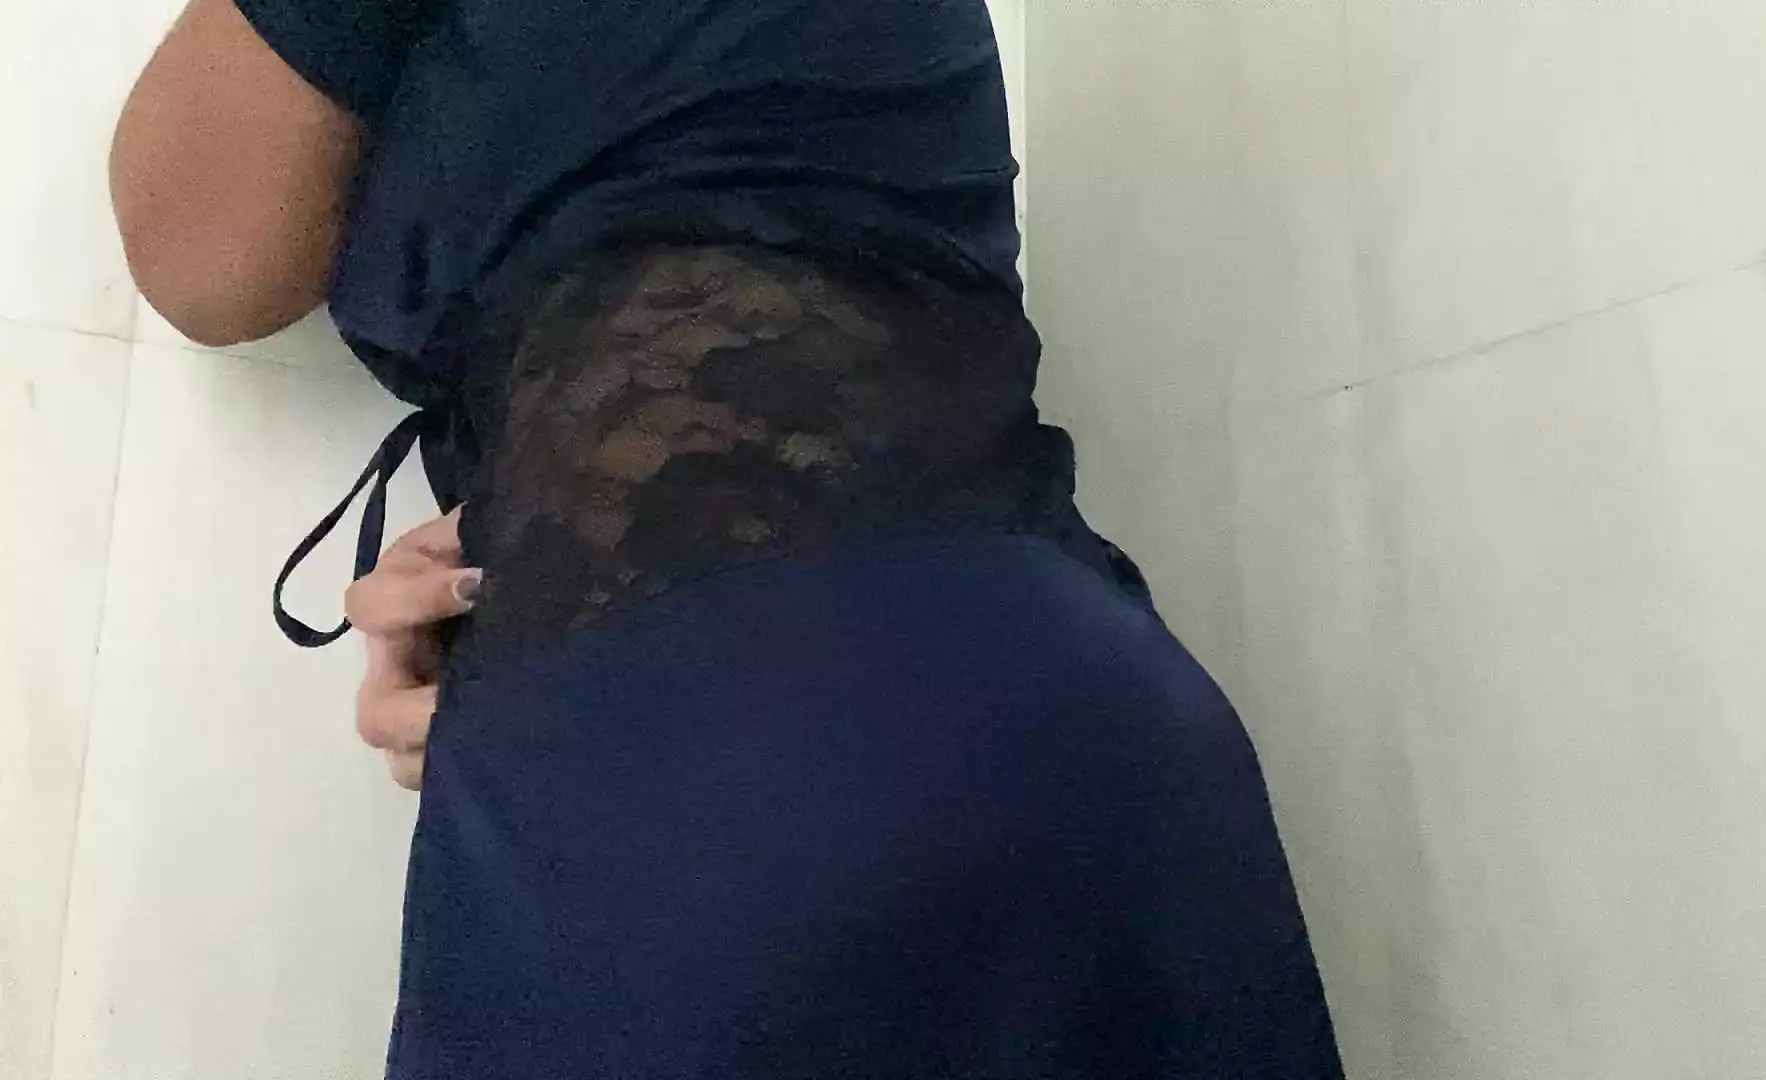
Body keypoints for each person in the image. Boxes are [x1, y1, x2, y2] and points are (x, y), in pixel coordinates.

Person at [110, 1, 1346, 1076]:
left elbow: (201, 258)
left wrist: (570, 569)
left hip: (704, 786)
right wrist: (535, 547)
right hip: (1084, 715)